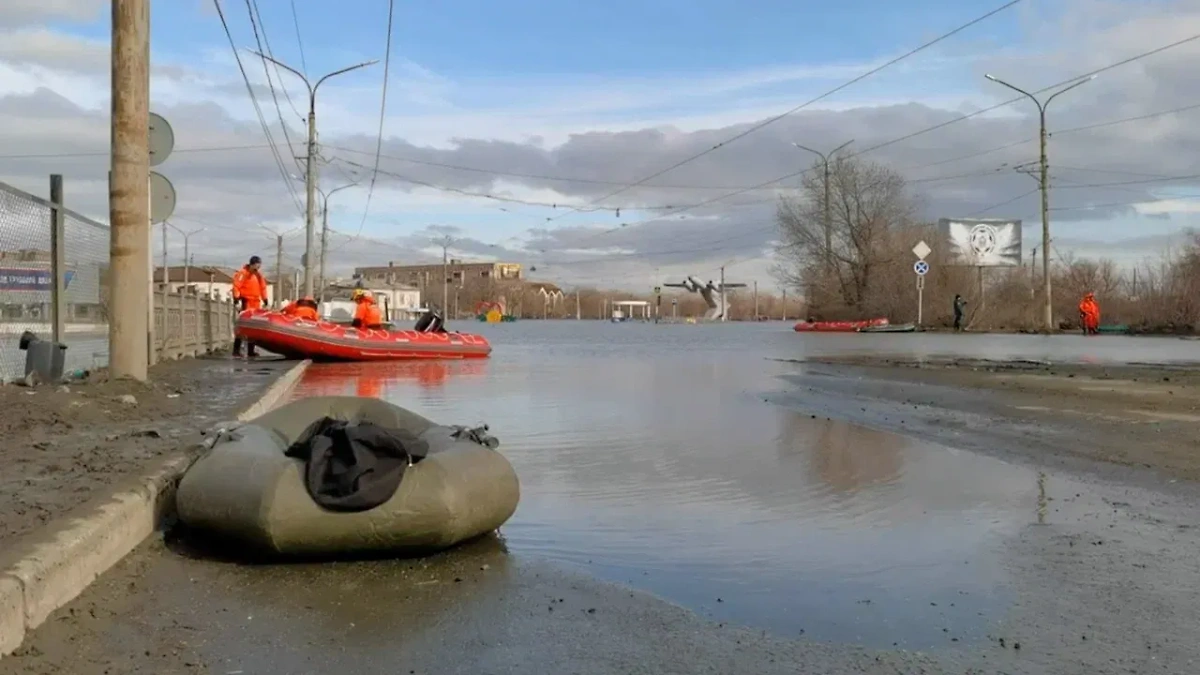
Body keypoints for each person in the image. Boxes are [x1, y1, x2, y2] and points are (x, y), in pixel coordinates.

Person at [231, 255, 268, 358]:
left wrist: (265, 299)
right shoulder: (243, 273)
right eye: (256, 266)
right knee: (243, 326)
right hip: (246, 301)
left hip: (256, 303)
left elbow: (263, 288)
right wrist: (236, 299)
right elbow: (236, 286)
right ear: (252, 264)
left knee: (253, 327)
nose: (257, 268)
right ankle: (236, 350)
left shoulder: (258, 276)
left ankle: (251, 351)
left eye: (259, 266)